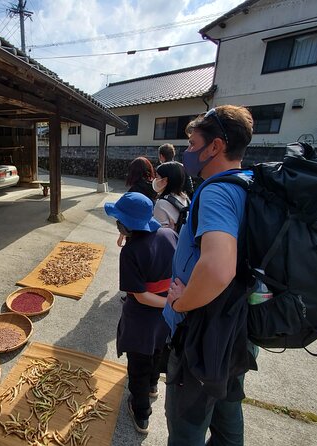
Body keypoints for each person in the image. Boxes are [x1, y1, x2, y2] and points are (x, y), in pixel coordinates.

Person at [163, 105, 257, 445]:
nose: (187, 152)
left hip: (206, 335)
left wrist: (181, 303)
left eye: (191, 145)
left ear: (215, 147)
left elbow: (218, 268)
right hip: (238, 325)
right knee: (227, 412)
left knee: (187, 425)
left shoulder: (217, 191)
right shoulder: (250, 183)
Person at [104, 192, 176, 435]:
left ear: (126, 225)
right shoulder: (168, 234)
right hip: (166, 320)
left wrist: (169, 305)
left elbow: (141, 295)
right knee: (158, 352)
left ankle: (141, 413)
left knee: (138, 366)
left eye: (119, 220)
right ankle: (154, 386)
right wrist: (173, 305)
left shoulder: (131, 252)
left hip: (142, 319)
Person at [117, 157, 157, 248]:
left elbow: (126, 217)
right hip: (153, 232)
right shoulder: (156, 188)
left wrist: (121, 236)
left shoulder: (133, 191)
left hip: (136, 234)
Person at [152, 161, 190, 232]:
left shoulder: (162, 203)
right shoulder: (185, 198)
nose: (155, 180)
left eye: (157, 177)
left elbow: (157, 233)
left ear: (165, 180)